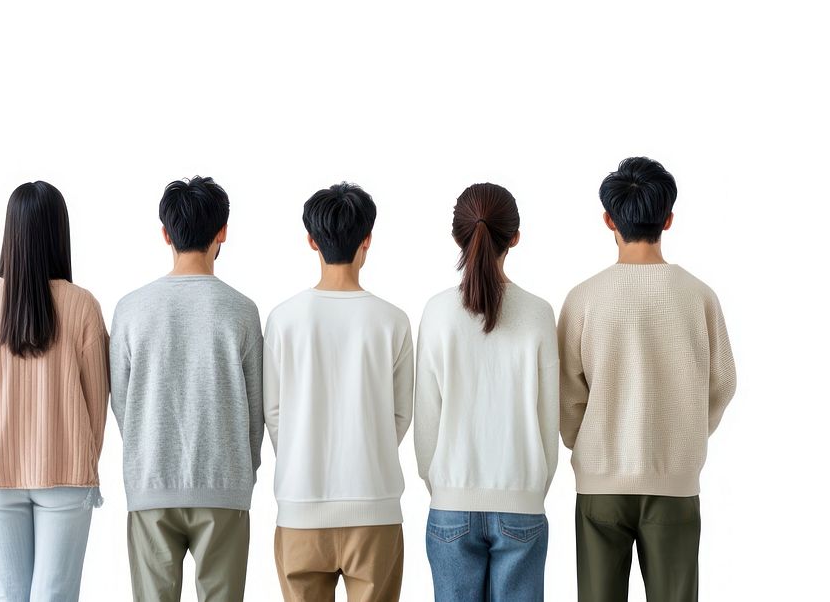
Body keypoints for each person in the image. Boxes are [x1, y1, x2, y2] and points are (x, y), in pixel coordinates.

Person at [559, 157, 737, 602]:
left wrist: (588, 438)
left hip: (600, 484)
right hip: (674, 482)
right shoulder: (698, 296)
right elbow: (723, 381)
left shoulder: (583, 298)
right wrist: (690, 430)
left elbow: (565, 393)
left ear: (608, 220)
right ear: (668, 219)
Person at [0, 181, 109, 602]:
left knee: (8, 595)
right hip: (66, 472)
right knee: (56, 595)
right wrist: (80, 448)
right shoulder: (82, 304)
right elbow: (98, 400)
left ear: (9, 234)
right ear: (59, 232)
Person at [110, 176, 263, 602]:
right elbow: (256, 408)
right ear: (223, 233)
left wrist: (145, 448)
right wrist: (245, 469)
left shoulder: (130, 309)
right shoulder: (242, 310)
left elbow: (122, 402)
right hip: (225, 483)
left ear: (165, 234)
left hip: (151, 481)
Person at [264, 182, 413, 602]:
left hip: (300, 507)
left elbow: (272, 412)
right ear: (368, 240)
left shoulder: (283, 320)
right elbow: (400, 415)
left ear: (311, 240)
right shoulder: (393, 321)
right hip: (376, 507)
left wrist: (299, 450)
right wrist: (371, 446)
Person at [415, 182, 559, 601]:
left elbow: (426, 421)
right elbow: (548, 419)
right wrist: (531, 488)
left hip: (450, 507)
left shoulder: (437, 312)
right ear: (514, 237)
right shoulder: (538, 313)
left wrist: (443, 487)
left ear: (457, 235)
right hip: (522, 504)